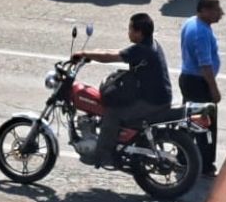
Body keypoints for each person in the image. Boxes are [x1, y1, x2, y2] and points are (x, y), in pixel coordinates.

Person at [71, 13, 173, 167]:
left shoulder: (142, 50)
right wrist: (93, 53)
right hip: (157, 95)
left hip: (153, 102)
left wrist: (85, 53)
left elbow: (110, 56)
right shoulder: (151, 44)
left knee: (112, 112)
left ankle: (103, 155)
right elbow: (118, 52)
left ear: (139, 32)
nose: (128, 32)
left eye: (130, 29)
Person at [179, 0, 224, 176]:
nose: (221, 13)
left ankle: (183, 156)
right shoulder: (201, 33)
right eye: (216, 10)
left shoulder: (192, 23)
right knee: (205, 126)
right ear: (204, 10)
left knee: (189, 121)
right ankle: (205, 165)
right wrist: (214, 90)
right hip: (198, 83)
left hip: (189, 80)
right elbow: (205, 65)